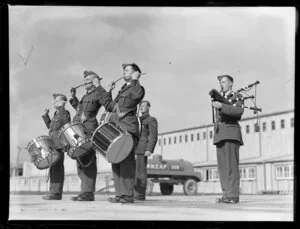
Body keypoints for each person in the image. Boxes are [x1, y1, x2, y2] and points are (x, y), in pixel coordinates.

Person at [102, 63, 145, 204]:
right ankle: (120, 194)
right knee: (116, 161)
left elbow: (136, 96)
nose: (124, 72)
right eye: (124, 70)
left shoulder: (136, 87)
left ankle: (127, 195)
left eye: (127, 70)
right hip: (116, 130)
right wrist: (108, 91)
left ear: (135, 73)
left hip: (128, 129)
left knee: (126, 163)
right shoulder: (122, 90)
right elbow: (109, 106)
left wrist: (135, 80)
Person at [69, 70, 106, 201]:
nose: (85, 81)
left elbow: (107, 102)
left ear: (94, 80)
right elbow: (80, 110)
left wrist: (99, 86)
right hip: (79, 130)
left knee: (88, 162)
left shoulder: (97, 94)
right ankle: (84, 190)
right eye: (84, 80)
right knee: (80, 162)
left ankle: (88, 192)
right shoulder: (86, 96)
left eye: (88, 79)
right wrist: (74, 98)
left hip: (89, 131)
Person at [211, 75, 244, 204]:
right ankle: (226, 194)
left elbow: (238, 112)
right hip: (220, 134)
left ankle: (233, 195)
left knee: (231, 166)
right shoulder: (222, 98)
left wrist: (221, 106)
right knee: (223, 168)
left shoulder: (237, 96)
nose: (221, 84)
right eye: (220, 82)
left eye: (223, 82)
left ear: (230, 84)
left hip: (231, 133)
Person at [41, 94, 71, 200]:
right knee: (53, 168)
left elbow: (67, 126)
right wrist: (46, 116)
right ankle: (53, 192)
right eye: (54, 101)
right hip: (52, 144)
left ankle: (56, 193)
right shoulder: (56, 114)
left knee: (57, 168)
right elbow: (51, 127)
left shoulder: (64, 113)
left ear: (63, 102)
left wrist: (62, 108)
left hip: (59, 145)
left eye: (57, 101)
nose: (54, 103)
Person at [134, 100, 158, 201]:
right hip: (134, 148)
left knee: (140, 173)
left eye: (144, 106)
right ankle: (133, 193)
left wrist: (149, 149)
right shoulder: (137, 120)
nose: (142, 107)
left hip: (142, 149)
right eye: (140, 106)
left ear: (148, 107)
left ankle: (140, 194)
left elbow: (153, 136)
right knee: (133, 172)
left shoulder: (151, 120)